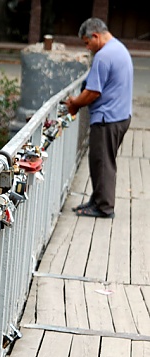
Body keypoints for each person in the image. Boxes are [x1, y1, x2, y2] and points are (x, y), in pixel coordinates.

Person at [65, 18, 133, 218]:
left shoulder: (103, 56)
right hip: (120, 115)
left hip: (108, 118)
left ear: (95, 36)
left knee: (102, 162)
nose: (88, 48)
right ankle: (96, 200)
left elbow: (93, 91)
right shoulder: (119, 48)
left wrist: (75, 103)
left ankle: (104, 207)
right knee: (99, 160)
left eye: (87, 43)